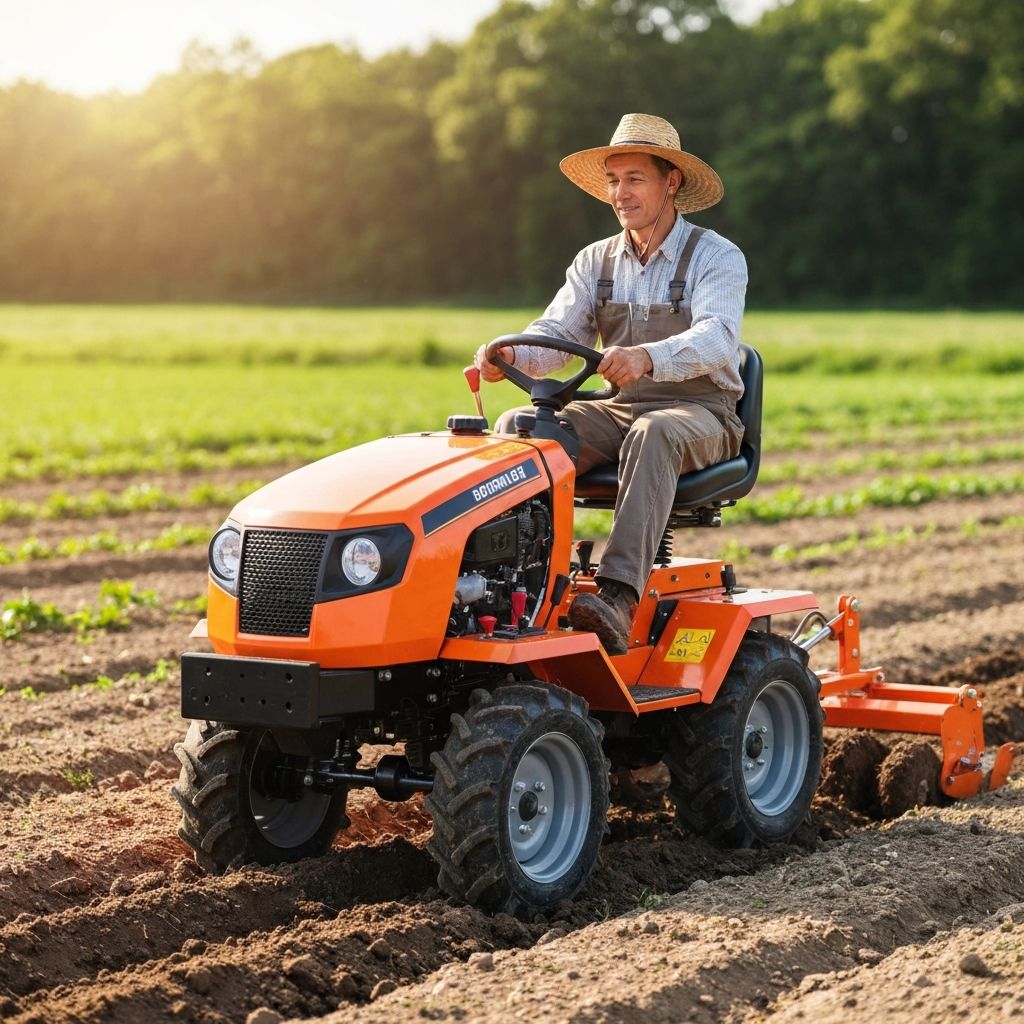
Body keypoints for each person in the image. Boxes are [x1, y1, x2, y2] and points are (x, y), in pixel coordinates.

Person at [475, 112, 747, 655]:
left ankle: (618, 597)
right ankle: (519, 586)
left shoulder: (716, 256)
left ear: (671, 182)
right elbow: (554, 332)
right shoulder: (594, 260)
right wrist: (508, 353)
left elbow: (718, 337)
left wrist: (648, 357)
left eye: (635, 179)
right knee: (519, 428)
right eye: (613, 181)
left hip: (701, 414)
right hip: (620, 409)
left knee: (656, 432)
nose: (621, 193)